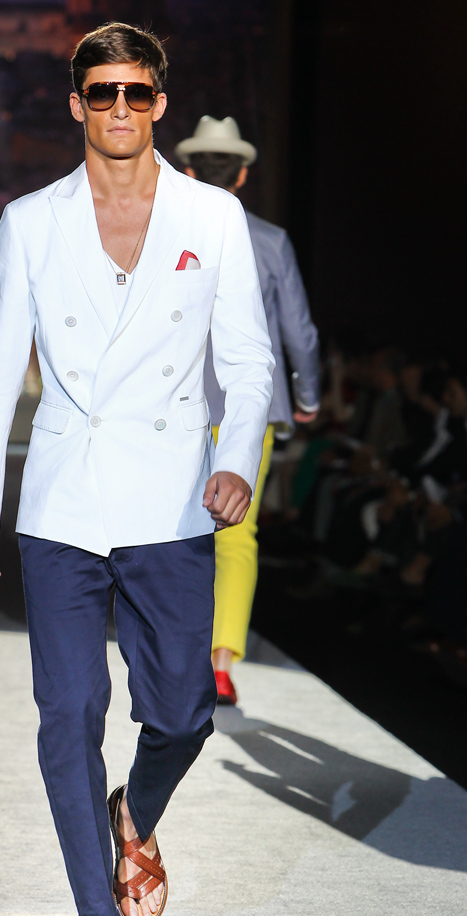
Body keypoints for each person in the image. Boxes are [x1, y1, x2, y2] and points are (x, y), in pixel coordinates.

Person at [0, 24, 274, 916]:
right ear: (77, 104)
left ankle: (132, 814)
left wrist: (234, 463)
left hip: (171, 499)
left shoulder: (211, 217)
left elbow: (247, 361)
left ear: (160, 103)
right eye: (103, 92)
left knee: (182, 712)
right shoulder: (31, 221)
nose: (121, 109)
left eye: (136, 92)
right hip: (62, 502)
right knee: (68, 714)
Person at [175, 116, 320, 705]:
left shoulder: (164, 232)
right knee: (238, 533)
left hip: (177, 401)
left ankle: (178, 651)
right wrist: (307, 398)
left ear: (188, 171)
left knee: (175, 527)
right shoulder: (270, 240)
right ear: (241, 175)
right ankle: (220, 664)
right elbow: (299, 331)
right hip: (248, 404)